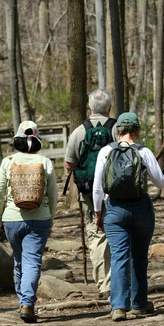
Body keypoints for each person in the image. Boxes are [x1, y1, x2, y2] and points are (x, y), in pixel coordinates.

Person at [93, 112, 164, 322]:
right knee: (139, 257)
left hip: (114, 209)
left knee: (119, 257)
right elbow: (159, 183)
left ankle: (119, 306)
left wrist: (97, 213)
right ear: (137, 131)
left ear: (118, 131)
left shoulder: (105, 152)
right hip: (141, 209)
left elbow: (97, 188)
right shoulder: (144, 152)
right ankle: (139, 304)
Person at [0, 121, 58, 323]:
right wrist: (51, 219)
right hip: (39, 219)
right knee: (31, 261)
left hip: (12, 218)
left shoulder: (8, 161)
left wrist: (0, 217)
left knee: (20, 260)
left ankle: (23, 301)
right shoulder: (45, 162)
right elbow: (53, 196)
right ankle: (27, 303)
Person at [64, 89, 117, 297]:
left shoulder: (79, 131)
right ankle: (118, 282)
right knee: (117, 234)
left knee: (96, 236)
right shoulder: (116, 130)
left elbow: (69, 163)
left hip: (87, 193)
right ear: (109, 108)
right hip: (115, 192)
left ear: (89, 108)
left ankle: (104, 284)